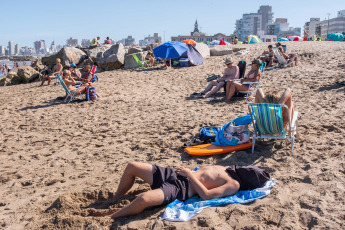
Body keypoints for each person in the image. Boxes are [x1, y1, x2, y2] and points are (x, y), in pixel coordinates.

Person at [96, 162, 269, 219]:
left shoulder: (234, 184)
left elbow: (206, 195)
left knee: (144, 199)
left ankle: (113, 216)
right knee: (132, 166)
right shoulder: (228, 168)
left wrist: (189, 174)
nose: (246, 168)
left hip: (181, 188)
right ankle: (117, 198)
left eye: (250, 172)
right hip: (172, 174)